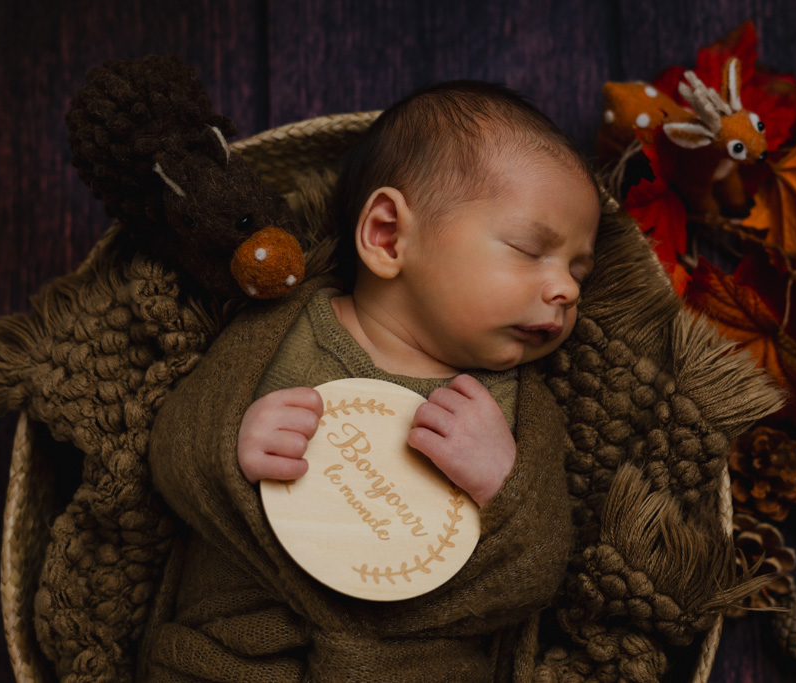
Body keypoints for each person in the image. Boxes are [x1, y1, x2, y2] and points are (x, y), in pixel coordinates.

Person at [145, 81, 603, 681]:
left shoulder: (515, 411)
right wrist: (235, 442)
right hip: (239, 646)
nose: (565, 289)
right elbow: (171, 453)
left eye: (578, 270)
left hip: (407, 662)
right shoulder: (280, 330)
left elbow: (538, 571)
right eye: (528, 249)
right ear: (388, 235)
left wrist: (503, 490)